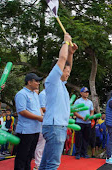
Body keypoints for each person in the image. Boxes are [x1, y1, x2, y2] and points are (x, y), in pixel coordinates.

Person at [39, 33, 78, 170]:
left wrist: (71, 54)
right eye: (65, 71)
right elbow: (62, 59)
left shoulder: (61, 84)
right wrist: (65, 42)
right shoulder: (52, 80)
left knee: (45, 163)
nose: (68, 73)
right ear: (58, 70)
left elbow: (67, 63)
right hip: (55, 127)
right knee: (53, 164)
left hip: (55, 127)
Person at [14, 73, 43, 170]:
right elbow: (22, 111)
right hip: (26, 130)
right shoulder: (21, 94)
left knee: (30, 155)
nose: (38, 83)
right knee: (22, 155)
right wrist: (38, 118)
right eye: (36, 81)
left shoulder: (35, 94)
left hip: (35, 129)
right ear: (29, 82)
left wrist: (42, 115)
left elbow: (38, 108)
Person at [73, 87, 94, 159]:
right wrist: (82, 118)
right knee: (78, 138)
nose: (86, 93)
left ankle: (84, 152)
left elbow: (92, 111)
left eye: (87, 92)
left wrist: (90, 117)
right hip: (79, 122)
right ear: (81, 93)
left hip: (87, 122)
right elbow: (74, 112)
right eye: (85, 92)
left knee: (86, 138)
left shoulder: (90, 102)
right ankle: (77, 153)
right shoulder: (78, 101)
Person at [33, 83, 46, 170]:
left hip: (46, 121)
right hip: (41, 121)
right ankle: (38, 164)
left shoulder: (48, 94)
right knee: (40, 144)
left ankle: (41, 163)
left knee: (43, 144)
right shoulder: (43, 94)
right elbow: (42, 108)